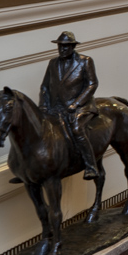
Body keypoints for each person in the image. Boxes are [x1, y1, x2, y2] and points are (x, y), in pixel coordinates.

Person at [39, 31, 100, 181]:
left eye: (65, 47)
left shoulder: (85, 61)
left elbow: (92, 84)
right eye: (60, 46)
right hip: (55, 108)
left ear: (73, 46)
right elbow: (45, 87)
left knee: (77, 130)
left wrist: (76, 103)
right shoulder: (53, 63)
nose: (62, 50)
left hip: (80, 106)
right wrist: (43, 106)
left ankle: (91, 166)